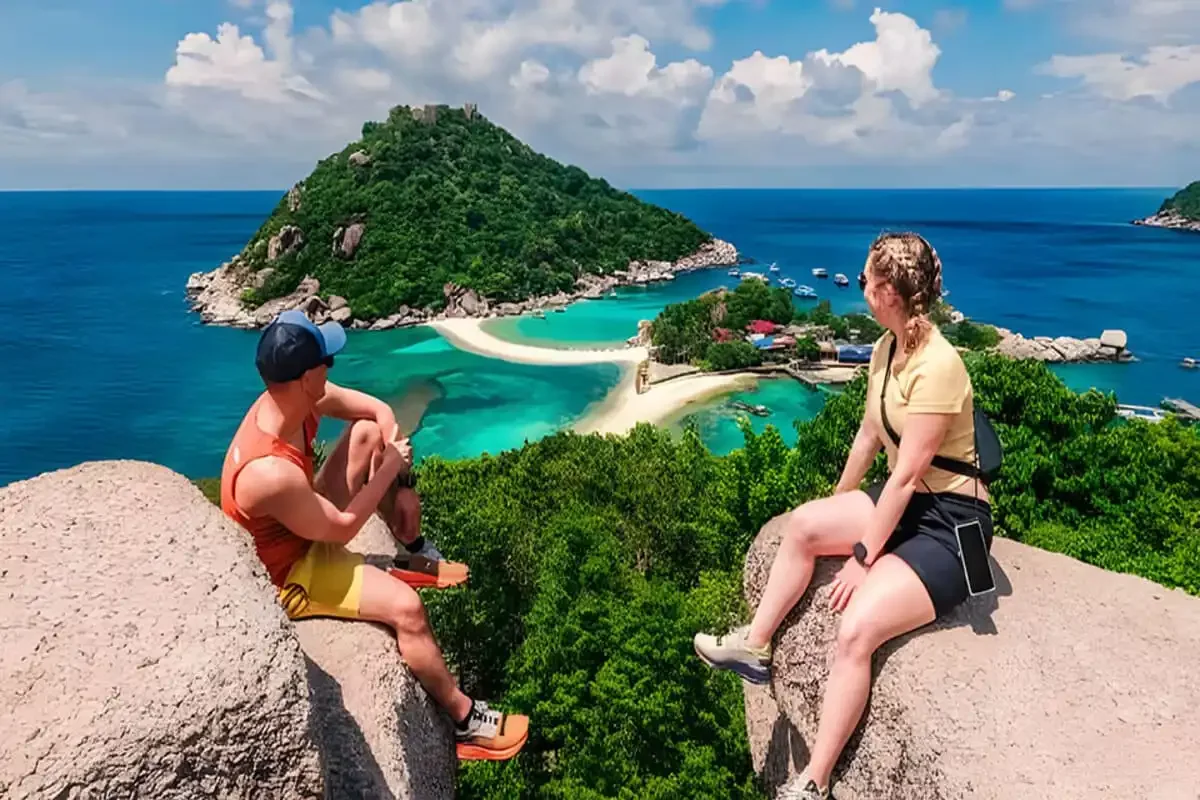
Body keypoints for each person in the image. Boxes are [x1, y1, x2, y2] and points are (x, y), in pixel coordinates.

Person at [693, 233, 994, 799]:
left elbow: (906, 475)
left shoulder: (939, 365)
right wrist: (837, 502)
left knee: (856, 629)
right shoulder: (887, 348)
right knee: (805, 525)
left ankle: (815, 781)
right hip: (907, 500)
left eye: (863, 281)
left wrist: (861, 557)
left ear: (889, 291)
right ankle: (756, 648)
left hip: (950, 521)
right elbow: (868, 435)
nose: (859, 288)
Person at [220, 309, 528, 762]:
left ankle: (410, 550)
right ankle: (466, 722)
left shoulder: (291, 401)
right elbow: (342, 527)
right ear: (308, 376)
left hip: (305, 520)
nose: (331, 366)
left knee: (365, 433)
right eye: (328, 360)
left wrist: (404, 487)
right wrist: (387, 470)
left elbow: (379, 412)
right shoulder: (267, 472)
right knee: (408, 610)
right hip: (290, 573)